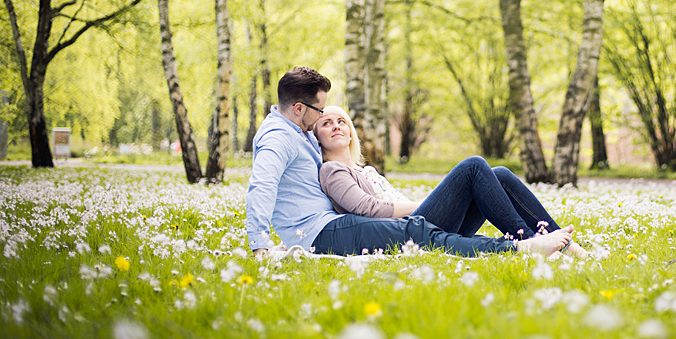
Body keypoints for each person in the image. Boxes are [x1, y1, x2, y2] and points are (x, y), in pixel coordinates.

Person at [246, 67, 573, 258]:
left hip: (330, 224)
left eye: (338, 120)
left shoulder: (299, 132)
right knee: (425, 222)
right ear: (300, 109)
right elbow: (262, 185)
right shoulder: (278, 137)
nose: (327, 120)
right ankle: (522, 246)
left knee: (496, 173)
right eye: (321, 114)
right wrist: (260, 246)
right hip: (319, 231)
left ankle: (554, 241)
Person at [314, 105, 589, 258]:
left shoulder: (368, 171)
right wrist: (429, 202)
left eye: (341, 121)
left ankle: (564, 244)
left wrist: (438, 201)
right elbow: (367, 209)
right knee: (474, 166)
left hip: (418, 221)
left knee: (501, 174)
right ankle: (531, 243)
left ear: (351, 133)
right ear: (317, 138)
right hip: (405, 232)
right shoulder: (331, 171)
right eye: (326, 123)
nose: (336, 126)